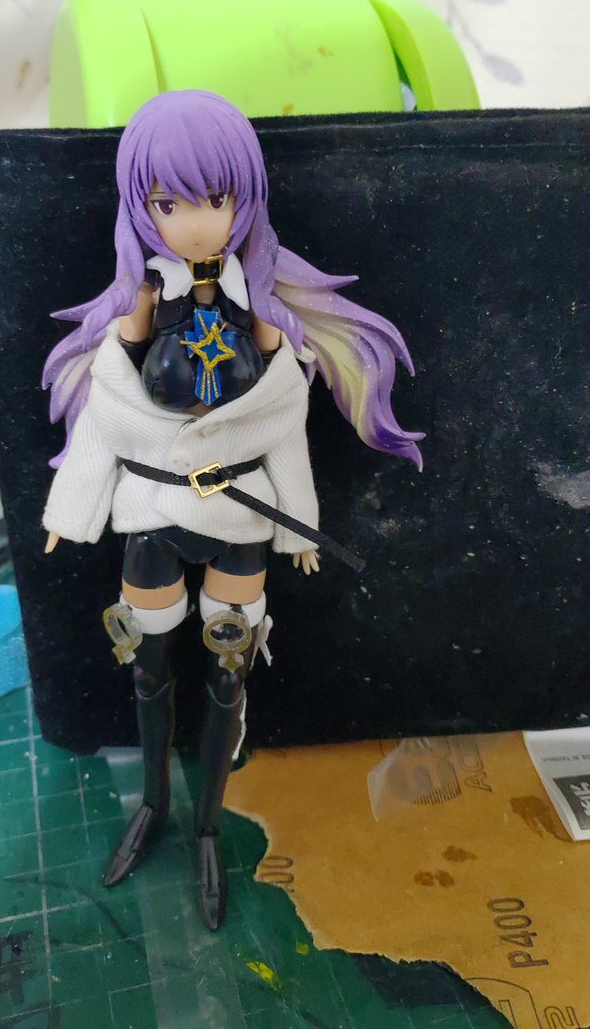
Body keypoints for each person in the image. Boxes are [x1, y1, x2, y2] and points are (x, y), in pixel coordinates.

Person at [42, 89, 423, 928]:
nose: (193, 223)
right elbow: (107, 408)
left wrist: (295, 525)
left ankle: (208, 826)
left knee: (228, 669)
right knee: (146, 664)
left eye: (214, 199)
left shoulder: (261, 308)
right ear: (139, 207)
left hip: (241, 518)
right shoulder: (142, 301)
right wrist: (71, 508)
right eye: (167, 204)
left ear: (243, 199)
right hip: (152, 508)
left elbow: (281, 422)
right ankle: (152, 804)